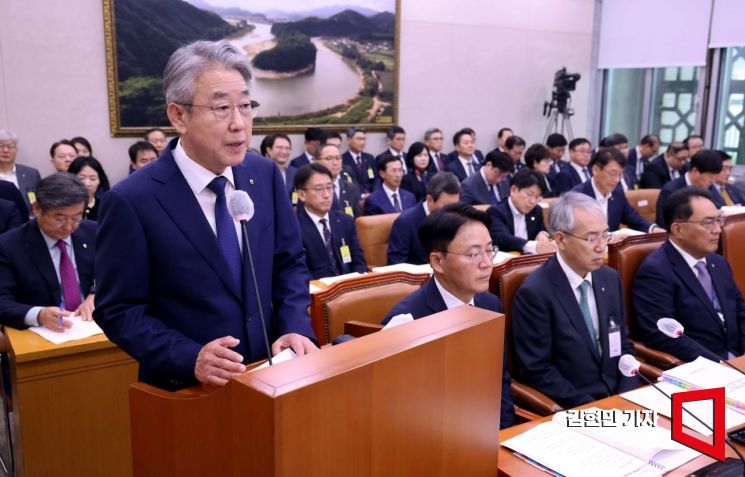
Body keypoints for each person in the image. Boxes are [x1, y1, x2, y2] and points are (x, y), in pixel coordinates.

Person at [94, 40, 317, 391]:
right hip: (188, 394)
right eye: (222, 108)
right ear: (178, 116)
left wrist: (293, 326)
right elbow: (119, 310)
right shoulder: (132, 200)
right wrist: (189, 356)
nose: (240, 124)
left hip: (271, 376)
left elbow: (288, 263)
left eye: (246, 106)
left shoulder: (265, 175)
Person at [382, 203, 515, 429]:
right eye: (473, 254)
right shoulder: (408, 322)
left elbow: (498, 379)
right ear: (437, 261)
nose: (486, 263)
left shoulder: (490, 304)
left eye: (489, 249)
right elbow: (400, 410)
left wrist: (504, 433)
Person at [511, 192, 640, 408]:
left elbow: (622, 344)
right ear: (561, 239)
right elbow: (537, 370)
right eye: (591, 238)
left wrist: (629, 394)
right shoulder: (535, 293)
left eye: (605, 235)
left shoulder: (609, 278)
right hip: (576, 406)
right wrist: (593, 409)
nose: (601, 247)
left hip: (621, 398)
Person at [633, 188, 745, 362]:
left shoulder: (718, 262)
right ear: (678, 229)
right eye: (708, 222)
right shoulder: (656, 272)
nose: (718, 230)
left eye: (719, 220)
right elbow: (663, 336)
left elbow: (740, 311)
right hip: (701, 369)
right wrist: (721, 364)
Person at [0, 173, 96, 330]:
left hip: (93, 327)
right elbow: (2, 301)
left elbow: (110, 271)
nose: (69, 226)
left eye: (77, 217)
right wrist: (38, 314)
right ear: (37, 209)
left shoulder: (94, 232)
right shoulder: (9, 246)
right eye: (60, 219)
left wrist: (95, 292)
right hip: (42, 336)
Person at [294, 163, 366, 279]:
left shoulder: (345, 221)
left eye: (329, 187)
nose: (327, 195)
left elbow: (359, 261)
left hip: (351, 288)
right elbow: (299, 273)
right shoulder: (295, 228)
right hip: (319, 291)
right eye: (319, 189)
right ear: (302, 195)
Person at [572, 147, 663, 233]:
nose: (616, 180)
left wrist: (652, 228)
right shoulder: (578, 196)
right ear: (595, 170)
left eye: (620, 175)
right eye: (612, 174)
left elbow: (632, 217)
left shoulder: (617, 192)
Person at [387, 172, 460, 265]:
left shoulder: (457, 217)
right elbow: (396, 262)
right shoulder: (405, 222)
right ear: (429, 199)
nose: (451, 210)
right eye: (446, 205)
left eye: (455, 204)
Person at [488, 169, 555, 254]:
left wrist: (542, 235)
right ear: (513, 190)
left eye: (537, 197)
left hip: (529, 260)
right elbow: (502, 238)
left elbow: (540, 229)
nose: (533, 201)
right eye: (529, 195)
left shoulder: (536, 211)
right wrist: (533, 246)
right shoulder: (496, 212)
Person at [655, 149, 723, 227]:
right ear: (695, 170)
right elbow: (664, 223)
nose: (713, 181)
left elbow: (720, 207)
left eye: (715, 178)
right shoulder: (671, 190)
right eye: (710, 177)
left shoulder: (709, 187)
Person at [0, 129, 42, 214]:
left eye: (10, 146)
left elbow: (41, 200)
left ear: (16, 149)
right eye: (1, 146)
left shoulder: (31, 174)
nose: (5, 150)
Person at [315, 142, 361, 217]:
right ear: (317, 162)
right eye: (329, 158)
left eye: (338, 158)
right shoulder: (310, 189)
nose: (335, 162)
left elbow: (357, 220)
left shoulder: (351, 188)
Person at [68, 156, 111, 221]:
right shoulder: (63, 206)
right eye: (81, 178)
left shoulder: (106, 208)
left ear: (100, 181)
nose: (87, 183)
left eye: (93, 178)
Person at [261, 134, 296, 200]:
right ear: (269, 150)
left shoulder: (295, 173)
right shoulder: (260, 172)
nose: (284, 151)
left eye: (287, 148)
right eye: (280, 148)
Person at [342, 127, 375, 194]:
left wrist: (373, 194)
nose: (362, 142)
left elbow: (376, 179)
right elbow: (345, 183)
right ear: (349, 140)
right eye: (359, 139)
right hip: (353, 197)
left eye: (364, 139)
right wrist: (361, 196)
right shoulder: (342, 159)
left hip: (371, 196)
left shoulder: (369, 158)